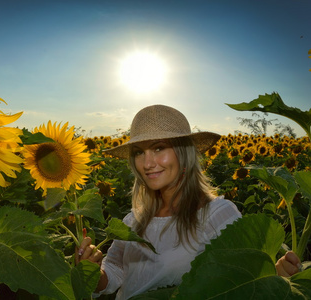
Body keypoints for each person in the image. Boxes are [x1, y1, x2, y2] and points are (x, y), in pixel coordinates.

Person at [75, 104, 302, 299]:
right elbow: (114, 271)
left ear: (184, 153)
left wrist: (277, 274)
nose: (147, 163)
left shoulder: (216, 215)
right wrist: (94, 273)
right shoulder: (132, 220)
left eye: (159, 148)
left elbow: (245, 279)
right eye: (138, 152)